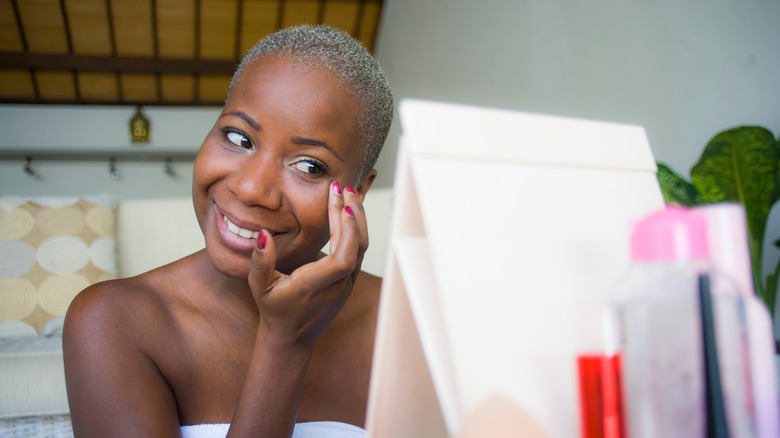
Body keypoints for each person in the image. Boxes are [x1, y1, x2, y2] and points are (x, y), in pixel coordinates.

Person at [63, 24, 393, 438]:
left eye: (310, 166)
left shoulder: (400, 322)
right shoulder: (111, 322)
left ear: (358, 190)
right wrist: (285, 345)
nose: (251, 188)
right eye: (238, 137)